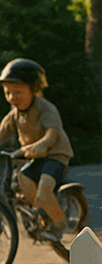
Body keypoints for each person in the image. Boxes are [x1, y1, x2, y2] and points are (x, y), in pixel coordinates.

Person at [0, 58, 75, 242]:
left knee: (43, 191)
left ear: (33, 89)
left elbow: (53, 132)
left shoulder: (45, 108)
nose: (12, 97)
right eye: (7, 93)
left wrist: (41, 144)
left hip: (54, 156)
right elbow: (2, 132)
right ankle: (44, 211)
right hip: (33, 158)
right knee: (24, 183)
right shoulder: (15, 115)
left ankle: (59, 225)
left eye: (17, 92)